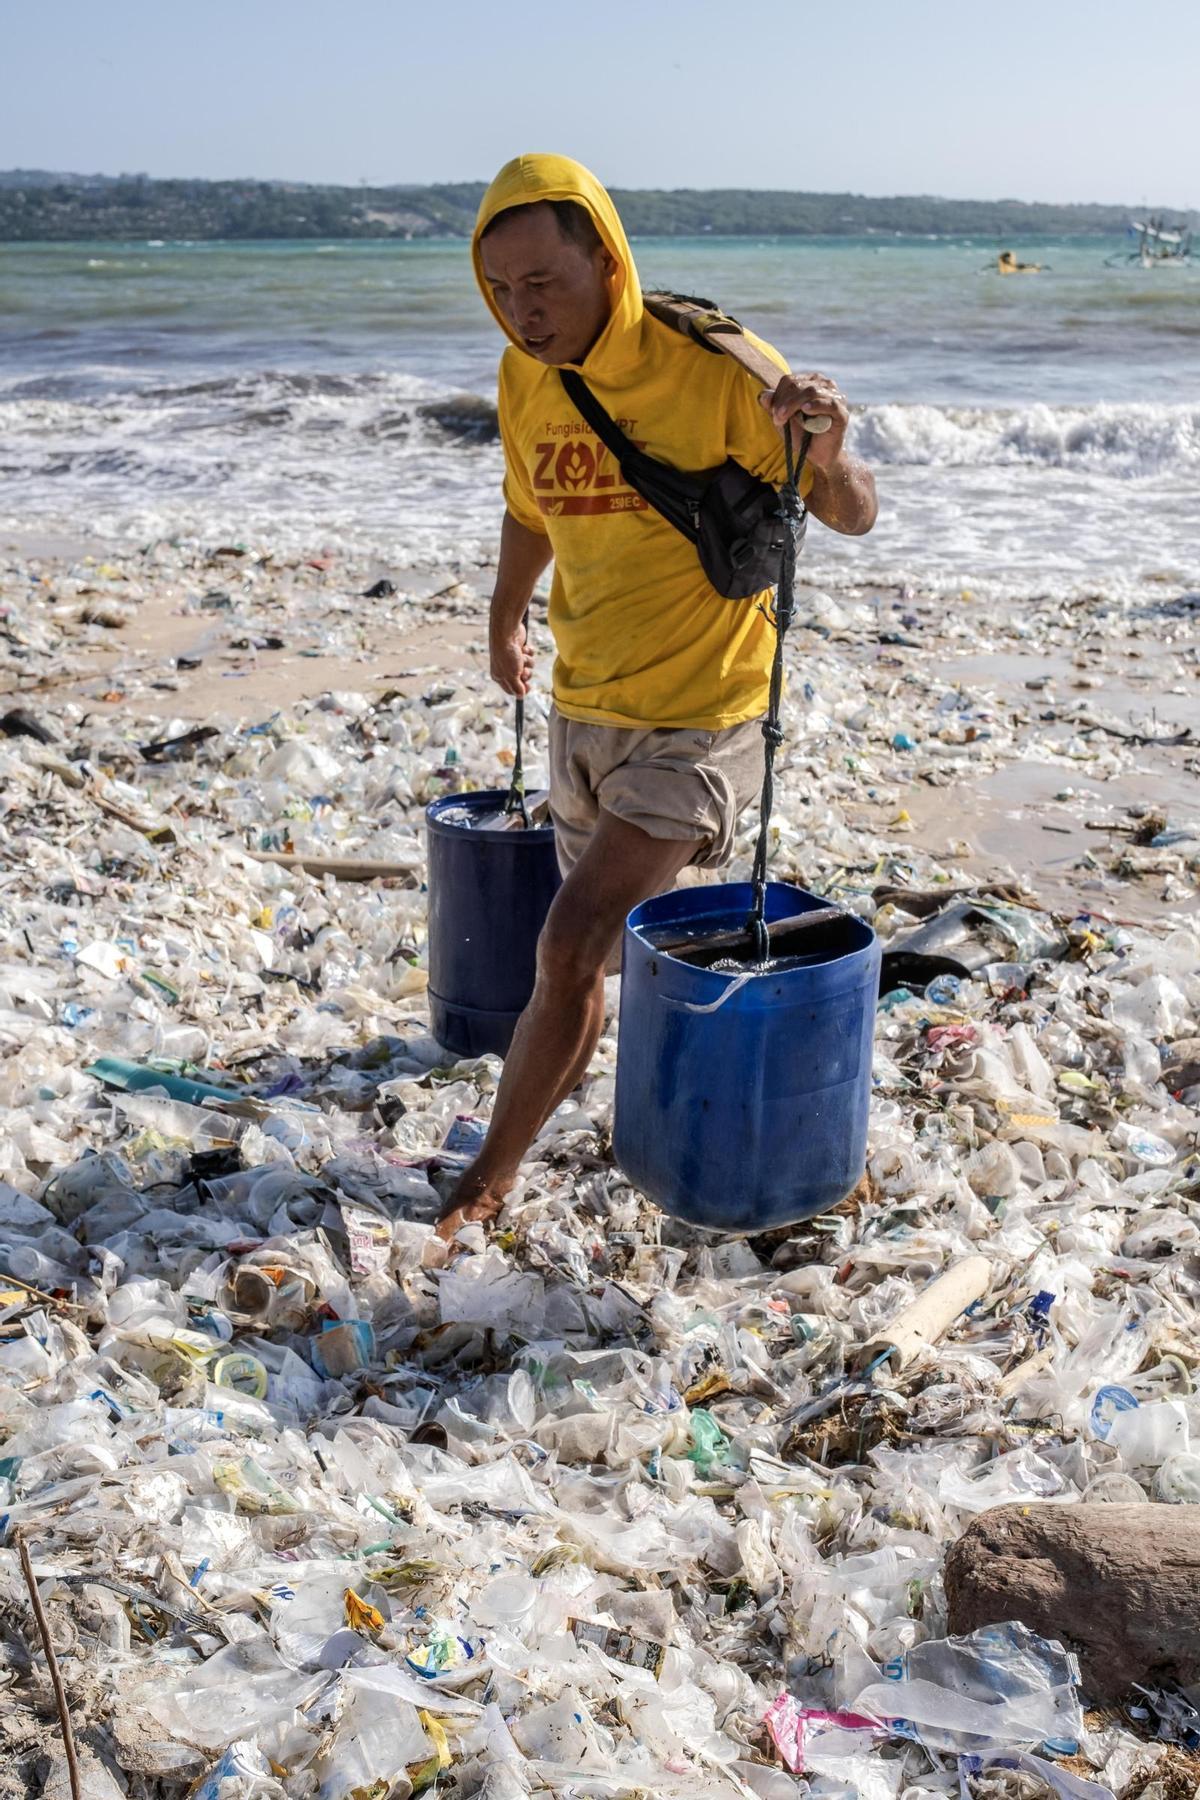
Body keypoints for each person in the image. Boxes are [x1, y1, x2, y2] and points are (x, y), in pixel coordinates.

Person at [436, 152, 877, 1241]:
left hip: (704, 716)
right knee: (595, 958)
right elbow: (532, 506)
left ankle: (489, 1180)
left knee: (568, 940)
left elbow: (852, 512)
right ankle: (680, 1121)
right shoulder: (521, 374)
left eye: (543, 282)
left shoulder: (721, 369)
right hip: (585, 705)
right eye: (500, 289)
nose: (522, 311)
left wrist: (834, 444)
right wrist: (504, 616)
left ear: (607, 260)